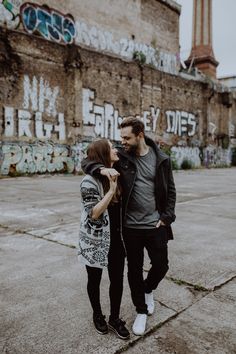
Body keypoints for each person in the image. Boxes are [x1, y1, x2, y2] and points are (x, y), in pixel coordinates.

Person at [82, 117, 176, 336]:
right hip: (130, 227)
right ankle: (141, 311)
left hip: (156, 224)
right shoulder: (122, 156)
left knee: (161, 265)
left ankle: (148, 289)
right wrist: (101, 170)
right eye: (121, 137)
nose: (121, 141)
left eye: (127, 137)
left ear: (140, 135)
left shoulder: (161, 158)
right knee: (133, 270)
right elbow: (88, 160)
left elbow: (170, 191)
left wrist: (167, 216)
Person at [78, 138, 130, 340]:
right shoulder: (88, 182)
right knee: (95, 279)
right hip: (94, 240)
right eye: (111, 148)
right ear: (103, 154)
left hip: (117, 240)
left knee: (117, 280)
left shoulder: (119, 173)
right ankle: (97, 314)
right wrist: (110, 191)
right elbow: (94, 213)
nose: (116, 149)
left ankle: (115, 318)